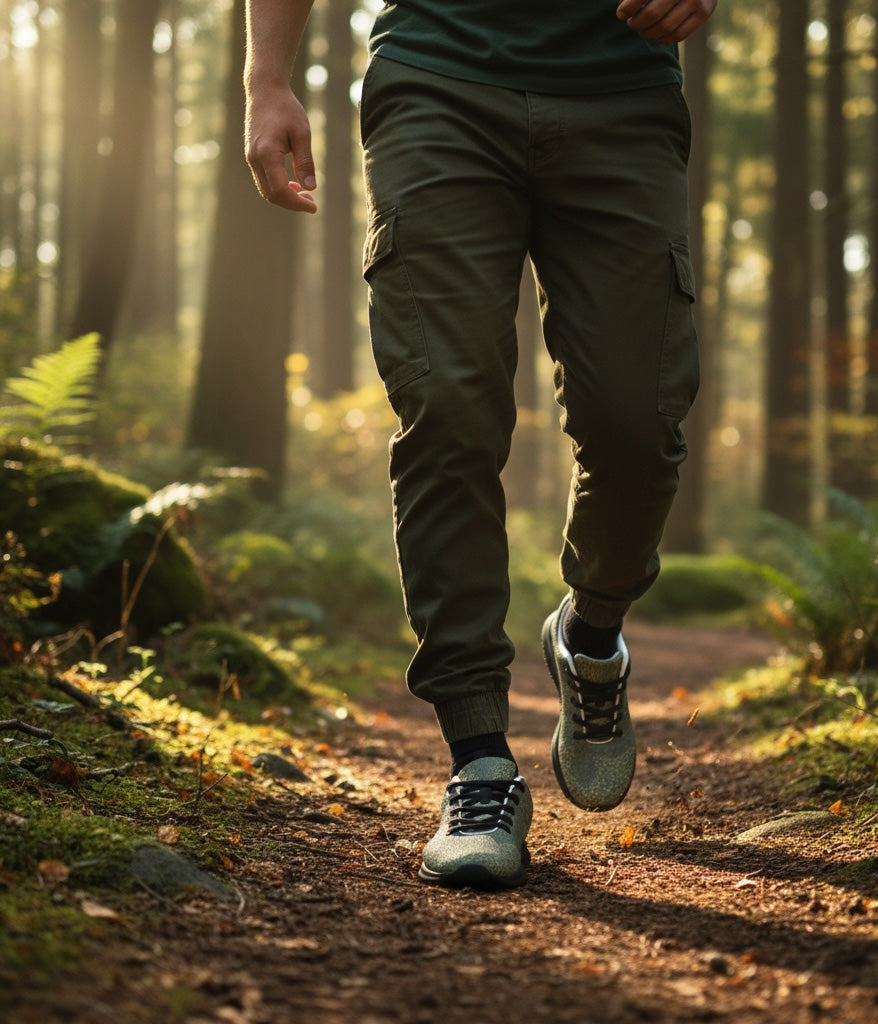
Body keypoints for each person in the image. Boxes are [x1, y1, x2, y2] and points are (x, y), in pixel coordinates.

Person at [245, 0, 717, 890]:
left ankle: (592, 634)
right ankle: (480, 764)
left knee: (636, 425)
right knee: (448, 409)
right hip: (436, 78)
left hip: (620, 89)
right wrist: (266, 79)